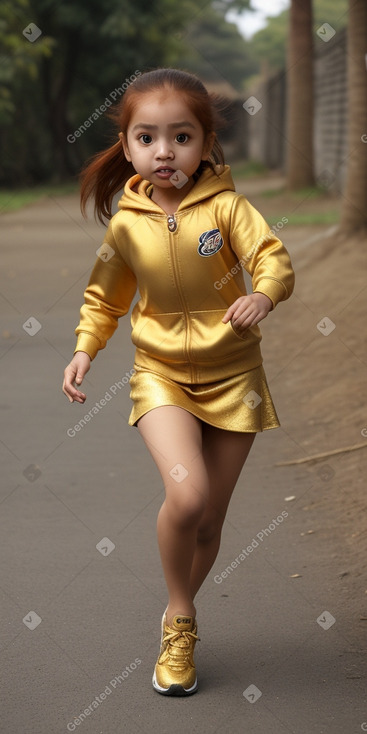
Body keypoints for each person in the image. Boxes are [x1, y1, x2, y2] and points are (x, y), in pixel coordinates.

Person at [62, 67, 295, 697]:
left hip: (235, 376)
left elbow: (271, 257)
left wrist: (264, 296)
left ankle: (176, 609)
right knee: (187, 499)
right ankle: (181, 617)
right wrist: (86, 349)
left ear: (205, 141)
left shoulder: (228, 207)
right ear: (128, 145)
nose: (165, 151)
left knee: (211, 522)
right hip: (161, 374)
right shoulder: (126, 223)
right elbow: (103, 298)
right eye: (148, 137)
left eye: (182, 136)